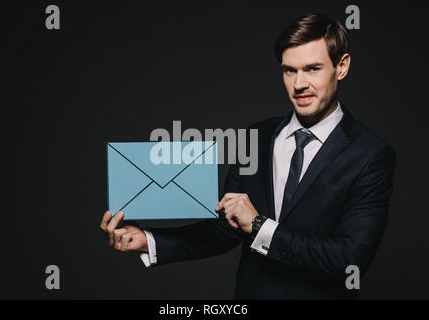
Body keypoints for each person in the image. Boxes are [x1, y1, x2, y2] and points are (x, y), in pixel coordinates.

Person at [100, 13, 396, 299]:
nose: (299, 84)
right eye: (289, 70)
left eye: (313, 69)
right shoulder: (256, 137)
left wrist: (259, 226)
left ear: (341, 66)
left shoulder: (370, 154)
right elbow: (224, 230)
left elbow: (348, 259)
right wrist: (148, 240)